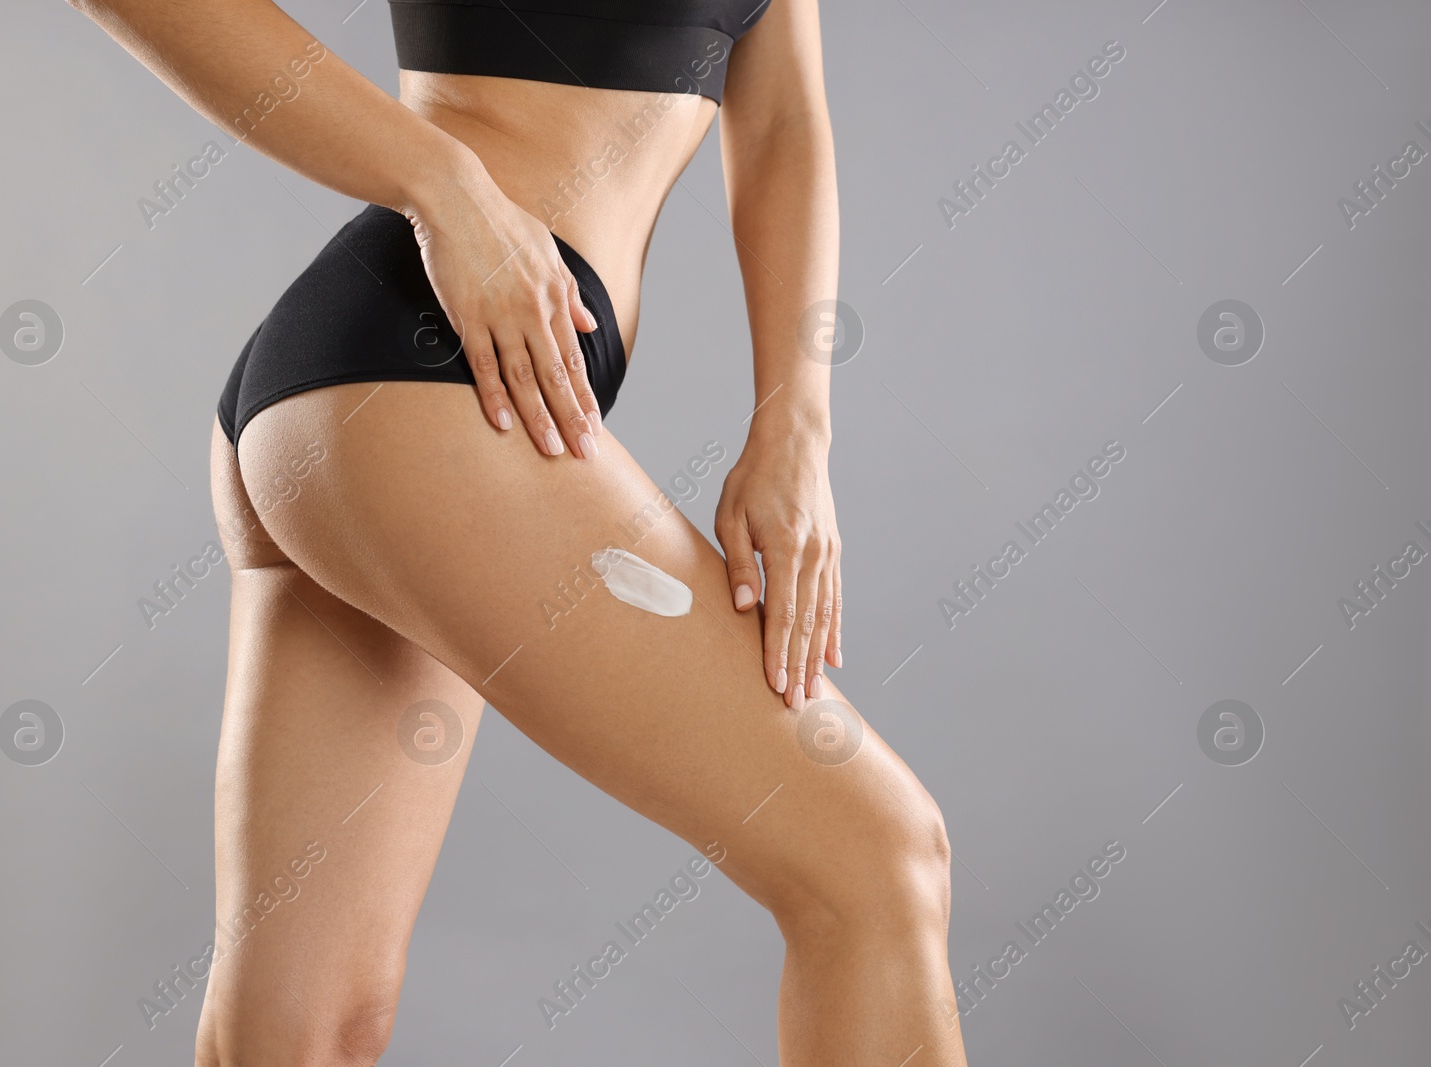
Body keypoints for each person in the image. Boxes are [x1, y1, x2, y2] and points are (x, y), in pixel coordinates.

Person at [69, 0, 967, 1062]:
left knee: (307, 1030)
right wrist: (441, 185)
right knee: (874, 857)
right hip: (429, 378)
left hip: (412, 393)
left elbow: (779, 125)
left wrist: (794, 425)